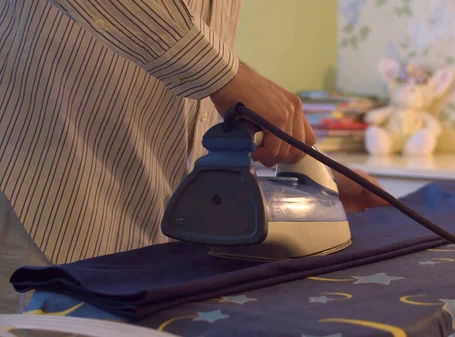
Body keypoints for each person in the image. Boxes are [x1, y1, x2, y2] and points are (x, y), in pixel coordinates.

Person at [0, 0, 388, 314]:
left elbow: (188, 92)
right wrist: (228, 77)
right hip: (39, 198)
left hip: (148, 234)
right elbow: (216, 76)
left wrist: (320, 181)